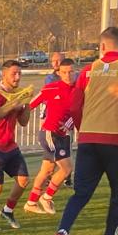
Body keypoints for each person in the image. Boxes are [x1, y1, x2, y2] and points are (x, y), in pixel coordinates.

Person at [52, 26, 118, 235]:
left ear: (102, 46)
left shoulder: (88, 70)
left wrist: (83, 129)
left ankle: (62, 232)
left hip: (88, 140)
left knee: (81, 193)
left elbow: (74, 106)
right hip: (116, 140)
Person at [0, 60, 32, 230]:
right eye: (13, 74)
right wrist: (11, 106)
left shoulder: (17, 93)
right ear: (4, 75)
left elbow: (23, 122)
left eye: (19, 73)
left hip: (10, 145)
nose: (17, 77)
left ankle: (7, 211)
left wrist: (27, 104)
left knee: (23, 180)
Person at [24, 58, 76, 214]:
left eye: (71, 72)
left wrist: (69, 124)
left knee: (47, 170)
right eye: (64, 72)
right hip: (50, 133)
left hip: (63, 135)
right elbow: (31, 104)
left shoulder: (79, 90)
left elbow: (79, 111)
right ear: (59, 73)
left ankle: (31, 202)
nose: (68, 75)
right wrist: (16, 113)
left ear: (75, 72)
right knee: (67, 169)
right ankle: (46, 198)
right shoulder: (51, 87)